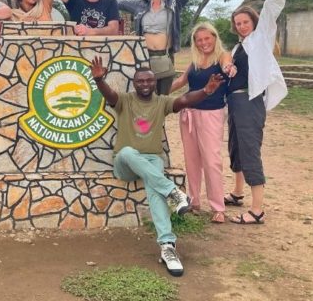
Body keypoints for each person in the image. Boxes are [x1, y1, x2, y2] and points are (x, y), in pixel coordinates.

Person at [91, 59, 224, 277]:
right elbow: (110, 95)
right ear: (134, 84)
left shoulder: (161, 102)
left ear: (155, 83)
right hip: (125, 164)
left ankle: (167, 246)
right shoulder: (125, 100)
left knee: (155, 188)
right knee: (126, 152)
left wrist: (206, 92)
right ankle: (173, 192)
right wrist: (99, 80)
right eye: (140, 80)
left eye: (149, 80)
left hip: (152, 161)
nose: (144, 83)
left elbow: (185, 99)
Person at [225, 0, 301, 225]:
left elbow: (271, 8)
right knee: (235, 147)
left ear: (253, 22)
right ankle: (237, 192)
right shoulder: (238, 48)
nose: (242, 26)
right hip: (233, 104)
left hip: (250, 102)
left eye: (245, 22)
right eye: (238, 23)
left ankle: (257, 210)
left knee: (249, 149)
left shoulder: (261, 38)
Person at [169, 22, 237, 224]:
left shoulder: (222, 56)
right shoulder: (196, 60)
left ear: (215, 38)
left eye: (207, 38)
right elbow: (181, 81)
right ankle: (194, 200)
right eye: (199, 40)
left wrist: (229, 68)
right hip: (188, 113)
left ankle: (218, 207)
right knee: (191, 159)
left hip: (211, 113)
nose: (203, 43)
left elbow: (228, 65)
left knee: (211, 160)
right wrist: (157, 95)